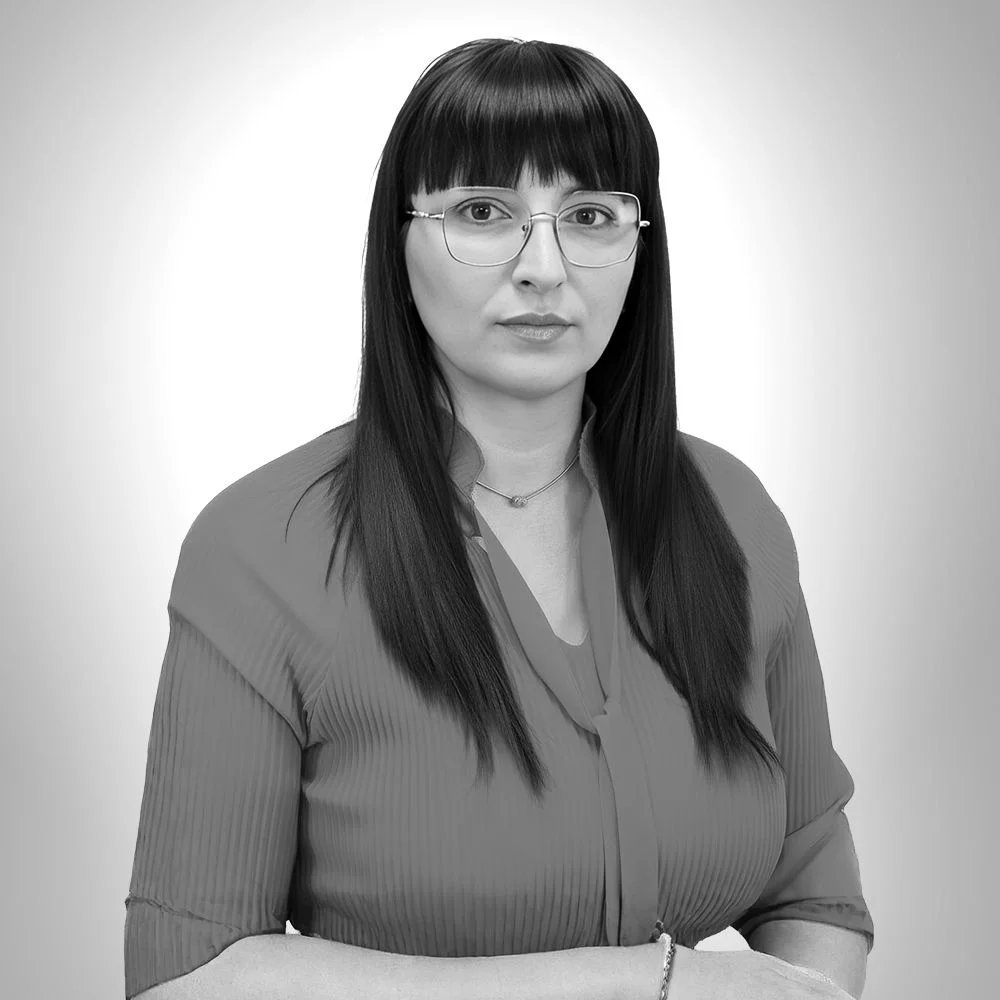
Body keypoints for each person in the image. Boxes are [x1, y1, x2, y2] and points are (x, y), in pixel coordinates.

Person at [123, 37, 873, 1000]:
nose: (543, 269)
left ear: (640, 247)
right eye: (483, 212)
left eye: (591, 216)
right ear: (398, 241)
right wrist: (643, 984)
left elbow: (816, 896)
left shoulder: (733, 513)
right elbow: (186, 978)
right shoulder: (260, 547)